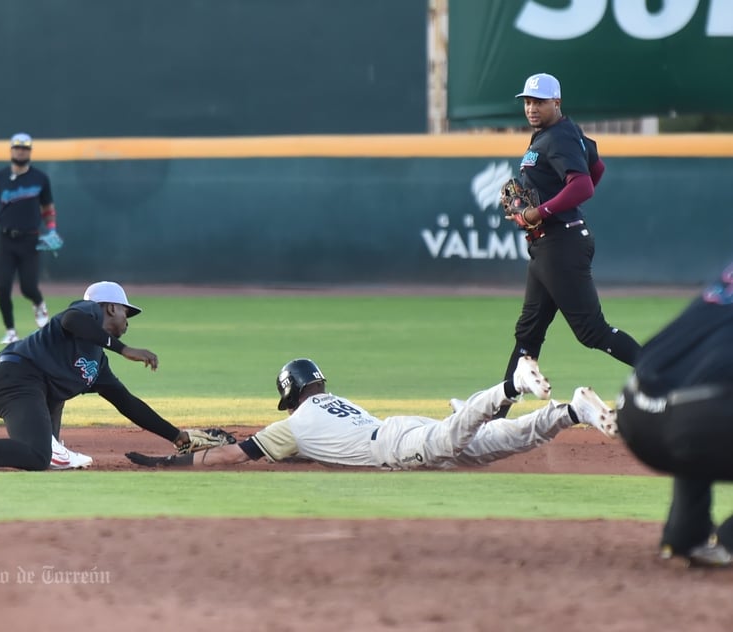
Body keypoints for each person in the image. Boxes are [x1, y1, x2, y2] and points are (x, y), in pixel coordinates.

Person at [125, 356, 618, 471]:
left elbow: (237, 455)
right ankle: (571, 411)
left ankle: (511, 384)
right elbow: (311, 451)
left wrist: (174, 463)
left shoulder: (292, 425)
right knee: (498, 443)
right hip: (397, 428)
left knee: (455, 439)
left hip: (396, 446)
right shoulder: (328, 408)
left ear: (289, 394)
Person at [0, 281, 193, 471]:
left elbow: (127, 402)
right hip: (14, 377)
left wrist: (177, 436)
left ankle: (52, 449)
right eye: (126, 311)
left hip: (20, 385)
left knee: (44, 444)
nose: (128, 320)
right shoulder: (87, 311)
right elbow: (70, 321)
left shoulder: (97, 361)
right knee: (39, 457)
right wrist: (124, 350)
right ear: (110, 307)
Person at [497, 72, 640, 416]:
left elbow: (584, 186)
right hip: (550, 245)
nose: (531, 108)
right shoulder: (562, 132)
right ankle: (494, 415)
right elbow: (597, 166)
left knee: (593, 332)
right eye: (528, 101)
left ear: (556, 103)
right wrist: (546, 210)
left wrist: (541, 211)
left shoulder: (557, 138)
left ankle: (662, 374)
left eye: (539, 102)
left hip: (561, 244)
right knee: (528, 334)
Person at [616, 261, 733, 567]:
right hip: (696, 424)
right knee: (706, 408)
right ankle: (728, 544)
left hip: (633, 412)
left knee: (703, 401)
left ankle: (685, 535)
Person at [0, 132, 64, 344]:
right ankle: (11, 331)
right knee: (3, 286)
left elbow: (47, 207)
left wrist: (52, 229)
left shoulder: (40, 178)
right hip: (6, 239)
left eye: (25, 148)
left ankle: (39, 303)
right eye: (17, 147)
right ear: (11, 150)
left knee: (28, 287)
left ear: (29, 151)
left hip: (30, 239)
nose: (21, 151)